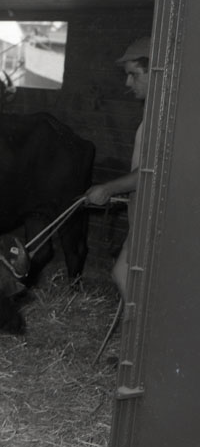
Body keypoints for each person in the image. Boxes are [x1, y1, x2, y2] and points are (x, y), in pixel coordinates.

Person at [85, 36, 151, 301]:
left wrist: (108, 188)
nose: (127, 83)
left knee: (125, 274)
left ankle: (138, 327)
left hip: (152, 217)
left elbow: (151, 172)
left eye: (134, 75)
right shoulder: (151, 113)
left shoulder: (165, 119)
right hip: (142, 212)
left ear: (156, 72)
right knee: (123, 274)